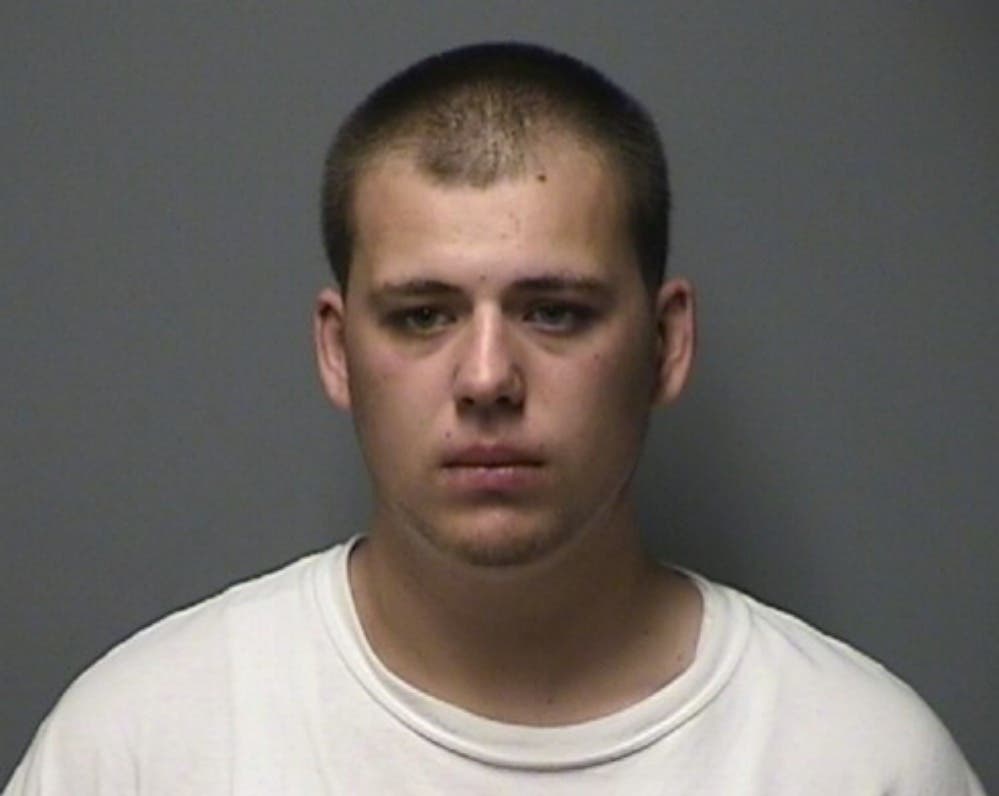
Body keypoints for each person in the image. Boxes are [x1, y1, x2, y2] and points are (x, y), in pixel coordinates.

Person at [5, 42, 984, 795]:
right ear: (339, 351)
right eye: (422, 316)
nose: (485, 378)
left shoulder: (860, 762)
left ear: (664, 344)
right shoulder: (140, 750)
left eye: (553, 312)